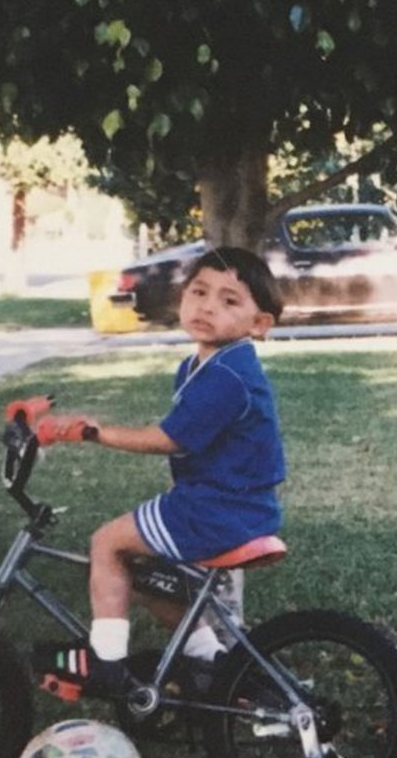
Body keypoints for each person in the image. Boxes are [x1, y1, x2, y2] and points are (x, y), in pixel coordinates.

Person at [32, 246, 286, 698]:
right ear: (182, 297)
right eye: (199, 292)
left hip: (218, 508)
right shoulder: (199, 366)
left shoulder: (228, 375)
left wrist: (95, 432)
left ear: (259, 324)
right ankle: (211, 659)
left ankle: (107, 664)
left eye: (230, 301)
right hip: (222, 502)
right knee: (144, 568)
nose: (207, 306)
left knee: (106, 542)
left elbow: (169, 439)